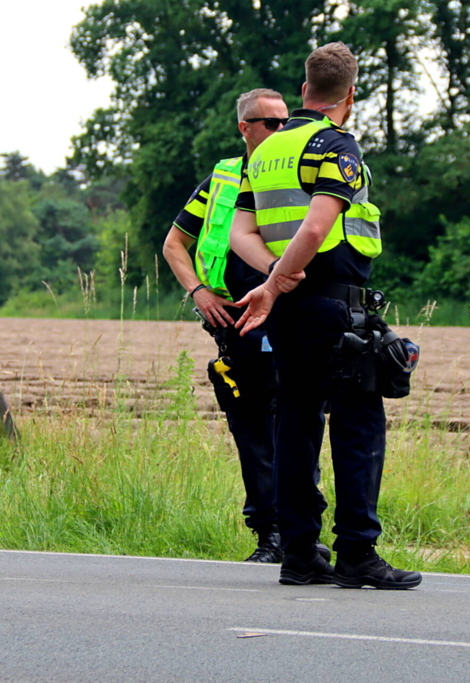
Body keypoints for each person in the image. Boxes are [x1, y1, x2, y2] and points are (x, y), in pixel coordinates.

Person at [229, 43, 422, 589]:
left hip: (288, 309)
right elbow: (316, 228)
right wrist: (284, 279)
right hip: (334, 304)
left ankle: (298, 555)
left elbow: (240, 234)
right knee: (359, 421)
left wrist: (274, 280)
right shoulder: (335, 145)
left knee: (295, 421)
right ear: (350, 97)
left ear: (305, 89)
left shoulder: (264, 151)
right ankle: (358, 553)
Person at [162, 88, 329, 563]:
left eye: (285, 121)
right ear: (245, 128)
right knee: (253, 428)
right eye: (270, 123)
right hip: (236, 324)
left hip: (291, 315)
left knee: (299, 423)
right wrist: (199, 292)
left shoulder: (296, 171)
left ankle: (303, 532)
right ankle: (268, 535)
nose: (281, 129)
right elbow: (174, 244)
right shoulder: (224, 178)